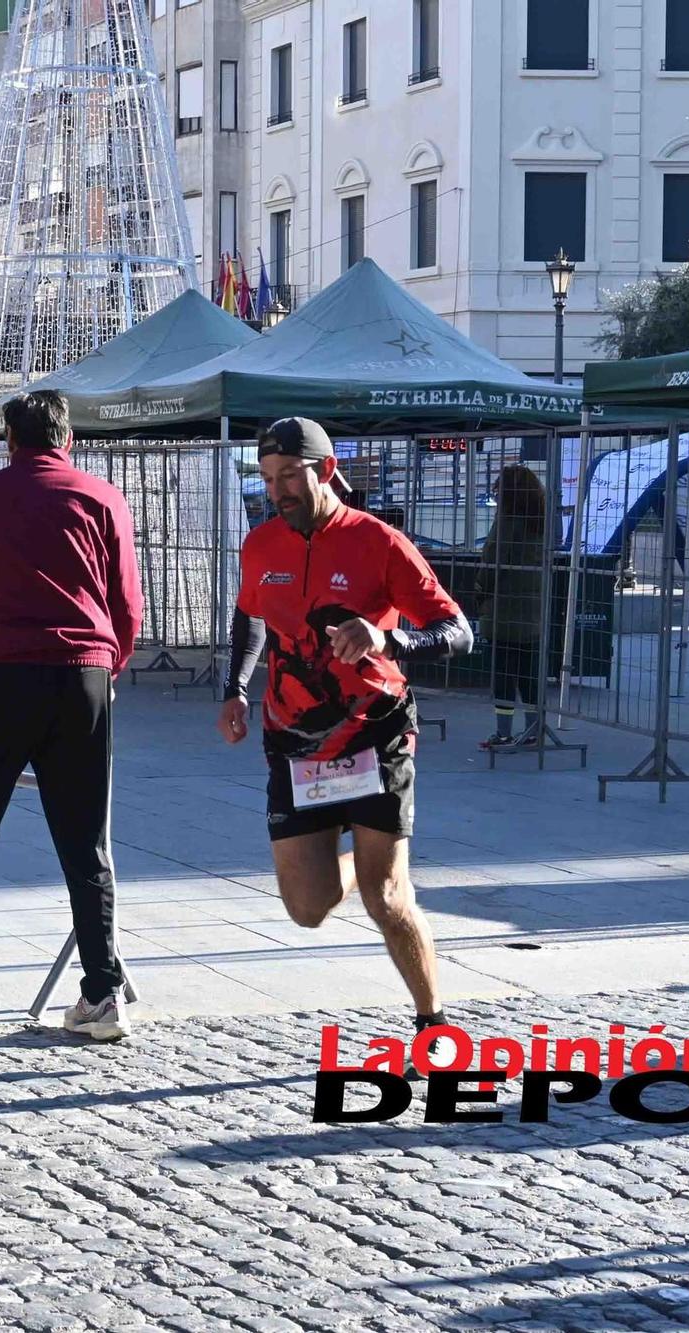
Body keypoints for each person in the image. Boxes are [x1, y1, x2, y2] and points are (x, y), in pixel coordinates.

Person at [216, 417, 473, 1067]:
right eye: (268, 480)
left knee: (388, 897)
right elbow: (250, 617)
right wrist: (234, 687)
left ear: (326, 470)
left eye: (289, 478)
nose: (278, 492)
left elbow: (458, 630)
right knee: (308, 908)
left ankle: (430, 1021)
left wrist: (391, 639)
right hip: (293, 741)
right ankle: (357, 861)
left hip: (374, 731)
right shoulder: (261, 544)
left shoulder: (377, 542)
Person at [0, 389, 142, 1040]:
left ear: (12, 440)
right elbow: (127, 603)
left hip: (7, 670)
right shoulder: (104, 498)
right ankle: (101, 988)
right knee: (86, 839)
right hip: (85, 672)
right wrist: (106, 665)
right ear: (68, 440)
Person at [475, 465, 549, 748]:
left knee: (504, 673)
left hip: (504, 609)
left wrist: (481, 589)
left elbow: (493, 558)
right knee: (530, 672)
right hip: (533, 608)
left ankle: (503, 732)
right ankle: (533, 729)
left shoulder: (507, 520)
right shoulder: (540, 520)